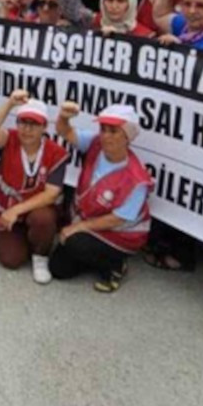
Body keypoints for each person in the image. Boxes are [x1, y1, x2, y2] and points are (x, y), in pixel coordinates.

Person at [52, 103, 154, 293]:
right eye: (103, 129)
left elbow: (118, 218)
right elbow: (64, 131)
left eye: (113, 131)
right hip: (90, 221)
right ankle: (92, 257)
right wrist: (64, 117)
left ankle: (115, 264)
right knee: (58, 269)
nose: (105, 136)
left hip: (120, 235)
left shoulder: (137, 179)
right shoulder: (95, 143)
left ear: (127, 136)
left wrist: (78, 227)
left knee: (75, 243)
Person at [0, 91, 68, 284]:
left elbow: (51, 194)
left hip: (30, 210)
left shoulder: (56, 153)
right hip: (4, 208)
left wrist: (17, 210)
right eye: (23, 122)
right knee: (11, 260)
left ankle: (40, 255)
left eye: (34, 124)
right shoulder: (9, 140)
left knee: (43, 218)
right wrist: (10, 103)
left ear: (45, 126)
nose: (27, 129)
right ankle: (26, 238)